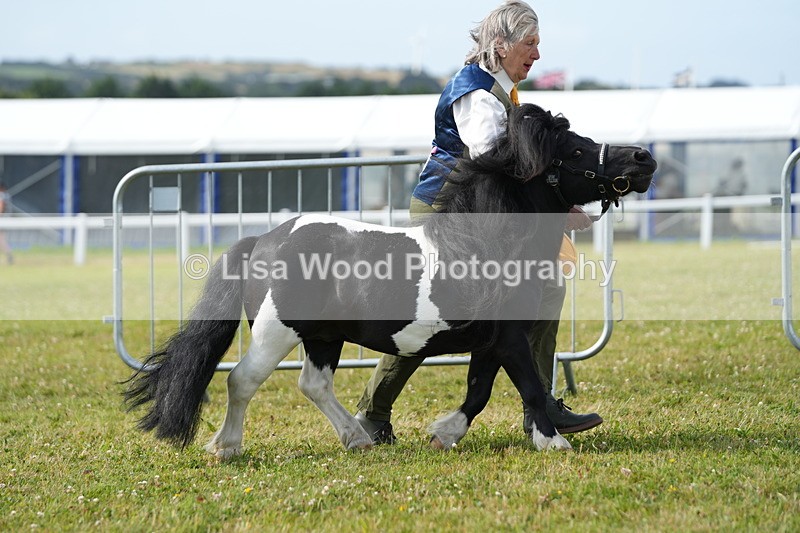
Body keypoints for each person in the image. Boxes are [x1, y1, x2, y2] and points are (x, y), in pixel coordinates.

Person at [355, 0, 602, 444]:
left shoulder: (498, 88)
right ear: (501, 45)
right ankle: (372, 415)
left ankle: (538, 407)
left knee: (543, 289)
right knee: (429, 315)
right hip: (447, 211)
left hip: (478, 213)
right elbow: (497, 161)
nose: (538, 54)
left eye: (538, 44)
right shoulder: (476, 93)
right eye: (530, 44)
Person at [0, 183, 12, 265]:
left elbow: (1, 206)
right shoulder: (7, 195)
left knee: (1, 239)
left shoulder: (1, 195)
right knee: (2, 239)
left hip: (2, 219)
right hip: (6, 219)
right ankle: (9, 255)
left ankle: (9, 255)